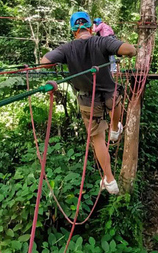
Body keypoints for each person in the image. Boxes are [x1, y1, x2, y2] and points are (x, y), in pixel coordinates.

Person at [41, 12, 136, 195]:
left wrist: (63, 59)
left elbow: (45, 62)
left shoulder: (67, 48)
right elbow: (130, 50)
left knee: (97, 139)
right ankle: (115, 128)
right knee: (116, 97)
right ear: (92, 28)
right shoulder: (102, 41)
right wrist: (113, 49)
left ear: (73, 31)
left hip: (87, 100)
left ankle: (109, 180)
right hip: (109, 94)